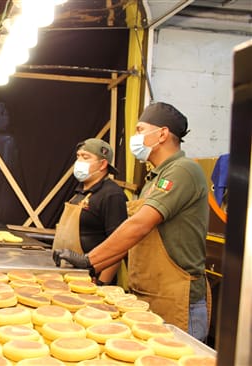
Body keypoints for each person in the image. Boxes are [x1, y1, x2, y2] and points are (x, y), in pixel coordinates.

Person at [53, 102, 209, 341]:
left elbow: (139, 226)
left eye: (140, 129)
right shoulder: (153, 180)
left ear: (163, 134)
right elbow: (132, 239)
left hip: (176, 298)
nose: (135, 137)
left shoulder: (183, 170)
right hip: (146, 296)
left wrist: (89, 261)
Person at [52, 138, 127, 285]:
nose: (79, 161)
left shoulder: (112, 194)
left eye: (86, 157)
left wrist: (101, 283)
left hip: (90, 279)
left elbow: (119, 246)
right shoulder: (79, 193)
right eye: (78, 156)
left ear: (103, 164)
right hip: (67, 276)